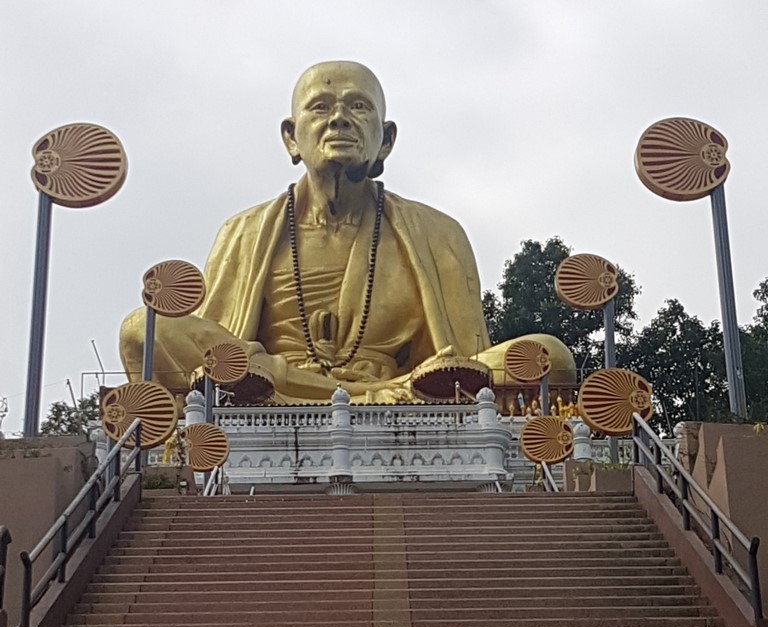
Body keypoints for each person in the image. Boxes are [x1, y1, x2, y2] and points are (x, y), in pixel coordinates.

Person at [120, 60, 573, 402]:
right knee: (144, 327)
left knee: (551, 356)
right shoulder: (243, 231)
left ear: (387, 139)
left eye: (359, 107)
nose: (339, 119)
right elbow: (218, 341)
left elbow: (468, 355)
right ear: (291, 137)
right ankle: (314, 389)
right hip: (284, 376)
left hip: (387, 384)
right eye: (320, 107)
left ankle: (303, 391)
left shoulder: (438, 232)